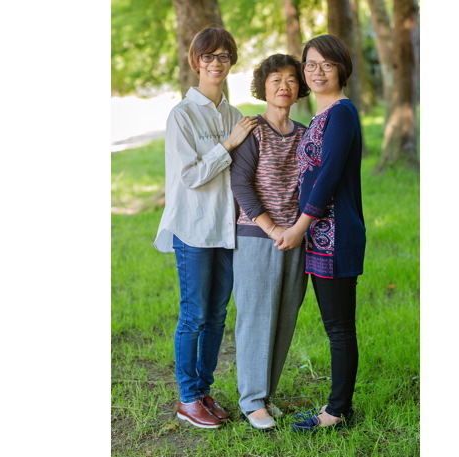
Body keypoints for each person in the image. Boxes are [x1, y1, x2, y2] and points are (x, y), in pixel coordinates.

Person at [153, 26, 258, 429]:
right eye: (208, 56)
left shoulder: (234, 115)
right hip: (194, 228)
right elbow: (191, 176)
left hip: (227, 229)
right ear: (196, 62)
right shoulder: (182, 115)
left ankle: (203, 390)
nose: (216, 63)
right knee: (194, 314)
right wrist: (228, 144)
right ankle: (187, 398)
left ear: (231, 62)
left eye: (224, 56)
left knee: (217, 314)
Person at [275, 34, 366, 431]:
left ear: (341, 69)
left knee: (339, 328)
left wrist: (299, 227)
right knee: (335, 326)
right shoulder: (320, 116)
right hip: (318, 236)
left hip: (337, 236)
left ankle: (337, 412)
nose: (317, 72)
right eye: (310, 64)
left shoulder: (342, 113)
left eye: (326, 64)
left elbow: (327, 177)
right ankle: (339, 407)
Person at [229, 54, 310, 430]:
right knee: (257, 317)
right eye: (275, 79)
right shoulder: (253, 130)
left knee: (284, 316)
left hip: (296, 238)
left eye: (291, 79)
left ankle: (266, 395)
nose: (284, 86)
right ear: (263, 86)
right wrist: (273, 228)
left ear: (299, 88)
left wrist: (295, 230)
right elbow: (241, 185)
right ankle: (251, 400)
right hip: (257, 236)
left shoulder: (305, 133)